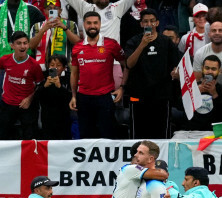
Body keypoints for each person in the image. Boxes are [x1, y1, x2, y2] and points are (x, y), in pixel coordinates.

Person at [124, 9, 180, 139]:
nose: (149, 24)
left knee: (161, 133)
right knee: (138, 133)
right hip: (139, 94)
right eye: (146, 21)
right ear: (141, 24)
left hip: (161, 95)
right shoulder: (133, 41)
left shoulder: (166, 41)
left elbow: (177, 62)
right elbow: (129, 64)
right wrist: (142, 45)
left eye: (152, 21)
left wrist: (175, 70)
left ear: (157, 23)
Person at [69, 11, 127, 140]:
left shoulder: (111, 44)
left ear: (100, 24)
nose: (92, 26)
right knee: (85, 135)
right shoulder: (77, 47)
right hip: (83, 97)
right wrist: (73, 96)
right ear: (84, 24)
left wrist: (122, 87)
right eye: (89, 23)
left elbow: (126, 65)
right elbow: (74, 73)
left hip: (105, 97)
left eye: (95, 23)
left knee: (107, 134)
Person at [64, 0, 135, 88]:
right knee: (89, 95)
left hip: (113, 63)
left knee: (115, 96)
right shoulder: (85, 8)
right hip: (89, 62)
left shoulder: (117, 8)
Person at [0, 31, 43, 140]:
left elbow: (40, 86)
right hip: (7, 103)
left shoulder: (34, 65)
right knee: (1, 136)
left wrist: (29, 99)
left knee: (29, 138)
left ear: (28, 45)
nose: (22, 46)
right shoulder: (5, 59)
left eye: (25, 43)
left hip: (26, 106)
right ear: (12, 45)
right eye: (19, 43)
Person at [29, 0, 80, 72]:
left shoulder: (70, 24)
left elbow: (78, 42)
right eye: (49, 9)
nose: (52, 11)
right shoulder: (37, 26)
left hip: (66, 69)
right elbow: (31, 46)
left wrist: (65, 28)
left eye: (56, 9)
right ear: (45, 11)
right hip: (43, 69)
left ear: (60, 10)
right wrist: (43, 30)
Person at [35, 53, 71, 139]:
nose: (55, 68)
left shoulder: (68, 77)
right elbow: (36, 96)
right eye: (52, 65)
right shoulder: (43, 76)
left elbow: (70, 97)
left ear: (64, 67)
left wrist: (60, 87)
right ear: (48, 66)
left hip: (63, 116)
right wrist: (44, 86)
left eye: (58, 65)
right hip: (47, 115)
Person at [189, 55, 222, 130]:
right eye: (207, 68)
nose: (210, 71)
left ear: (219, 71)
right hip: (192, 130)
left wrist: (215, 94)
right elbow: (180, 105)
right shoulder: (192, 87)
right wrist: (196, 92)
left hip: (214, 131)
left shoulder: (220, 89)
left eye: (213, 69)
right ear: (202, 69)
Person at [193, 21, 222, 85]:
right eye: (214, 30)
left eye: (220, 30)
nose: (217, 33)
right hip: (206, 90)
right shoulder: (200, 53)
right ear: (209, 34)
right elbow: (197, 80)